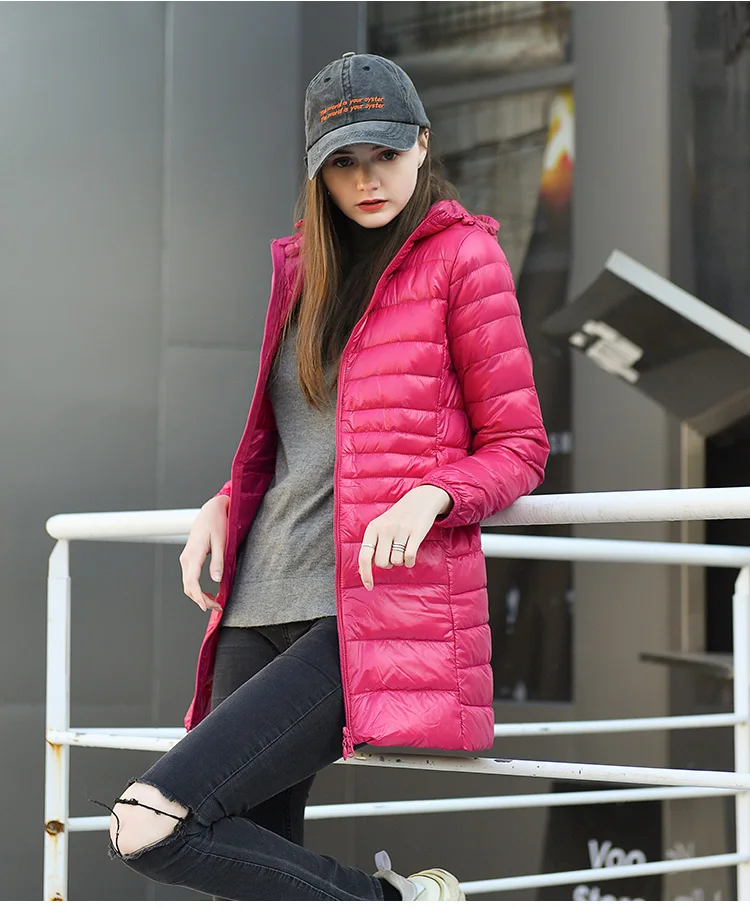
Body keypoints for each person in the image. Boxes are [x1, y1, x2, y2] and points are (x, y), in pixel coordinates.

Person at [102, 52, 549, 901]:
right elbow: (302, 438)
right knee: (253, 867)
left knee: (150, 821)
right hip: (254, 602)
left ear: (422, 145)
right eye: (344, 162)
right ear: (318, 172)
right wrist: (227, 499)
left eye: (385, 153)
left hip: (363, 613)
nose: (368, 179)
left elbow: (519, 444)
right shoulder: (303, 269)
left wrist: (434, 493)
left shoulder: (464, 258)